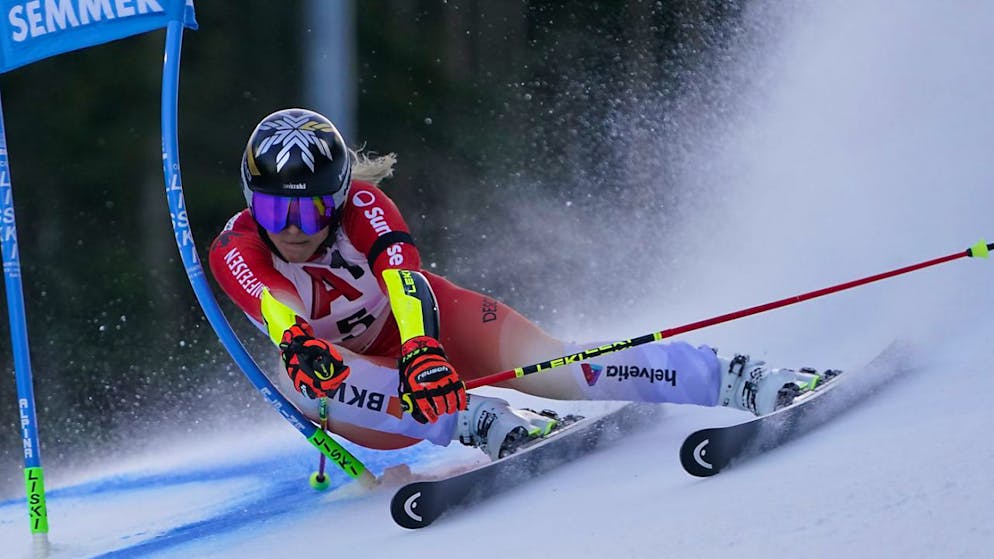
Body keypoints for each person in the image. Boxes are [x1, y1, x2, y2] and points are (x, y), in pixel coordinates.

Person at [208, 108, 827, 460]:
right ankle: (480, 421)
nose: (292, 228)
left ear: (338, 197)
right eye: (273, 211)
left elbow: (404, 279)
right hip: (351, 383)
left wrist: (423, 348)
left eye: (311, 210)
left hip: (428, 322)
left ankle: (737, 378)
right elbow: (273, 301)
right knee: (309, 377)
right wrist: (296, 340)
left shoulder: (366, 205)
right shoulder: (234, 248)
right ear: (249, 202)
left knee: (564, 368)